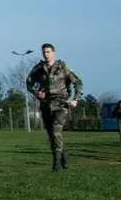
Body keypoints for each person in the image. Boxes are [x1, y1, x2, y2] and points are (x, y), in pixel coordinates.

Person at [25, 43, 83, 171]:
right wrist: (36, 93)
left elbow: (78, 82)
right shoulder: (39, 68)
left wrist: (76, 99)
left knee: (56, 131)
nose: (46, 54)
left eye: (48, 52)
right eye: (44, 52)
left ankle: (56, 163)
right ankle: (64, 154)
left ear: (53, 53)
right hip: (46, 104)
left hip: (61, 104)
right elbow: (29, 82)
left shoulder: (63, 67)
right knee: (52, 134)